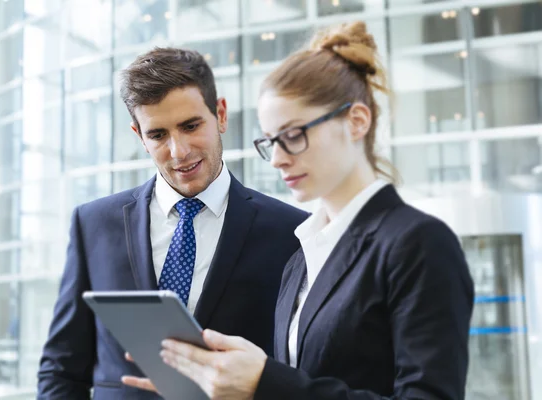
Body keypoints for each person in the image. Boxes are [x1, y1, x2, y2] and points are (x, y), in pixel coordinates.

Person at [124, 21, 475, 400]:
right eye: (270, 141)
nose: (276, 159)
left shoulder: (417, 243)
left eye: (292, 136)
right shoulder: (301, 256)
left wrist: (264, 381)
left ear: (356, 121)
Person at [37, 47, 308, 400]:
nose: (178, 151)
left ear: (220, 115)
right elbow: (61, 367)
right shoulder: (93, 225)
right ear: (139, 136)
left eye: (191, 126)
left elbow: (297, 368)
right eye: (158, 135)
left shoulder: (292, 232)